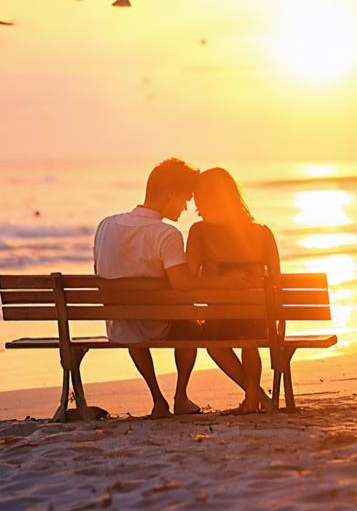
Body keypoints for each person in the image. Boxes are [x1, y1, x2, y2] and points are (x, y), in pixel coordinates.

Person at [92, 158, 249, 418]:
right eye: (185, 199)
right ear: (170, 194)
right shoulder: (167, 234)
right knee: (190, 322)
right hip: (157, 325)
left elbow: (101, 271)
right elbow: (184, 285)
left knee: (135, 322)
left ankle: (157, 399)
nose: (187, 207)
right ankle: (181, 396)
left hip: (119, 325)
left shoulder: (105, 225)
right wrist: (227, 280)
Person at [186, 167, 281, 413]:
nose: (195, 201)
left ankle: (256, 397)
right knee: (248, 339)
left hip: (220, 319)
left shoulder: (198, 232)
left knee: (214, 343)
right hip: (260, 318)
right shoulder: (262, 232)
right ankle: (254, 398)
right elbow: (277, 282)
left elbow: (189, 278)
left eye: (198, 195)